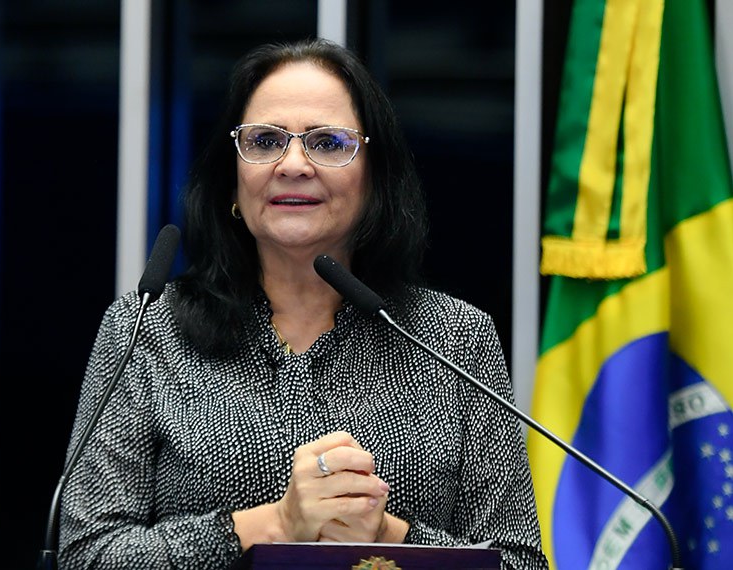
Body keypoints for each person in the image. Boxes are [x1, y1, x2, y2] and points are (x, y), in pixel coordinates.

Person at [58, 37, 548, 569]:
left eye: (329, 143)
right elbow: (86, 555)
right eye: (265, 140)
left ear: (374, 177)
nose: (292, 164)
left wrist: (384, 532)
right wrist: (274, 524)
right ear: (233, 177)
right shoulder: (146, 329)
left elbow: (519, 564)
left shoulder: (453, 336)